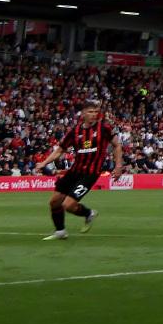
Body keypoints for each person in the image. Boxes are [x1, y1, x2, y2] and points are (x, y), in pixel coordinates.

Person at [35, 102, 123, 240]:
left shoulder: (104, 128)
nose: (94, 114)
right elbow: (59, 150)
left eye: (95, 112)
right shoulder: (74, 132)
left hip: (90, 173)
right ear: (83, 114)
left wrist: (118, 166)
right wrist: (44, 162)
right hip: (74, 171)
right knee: (54, 202)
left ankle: (88, 213)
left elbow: (117, 145)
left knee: (68, 205)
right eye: (90, 112)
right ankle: (60, 231)